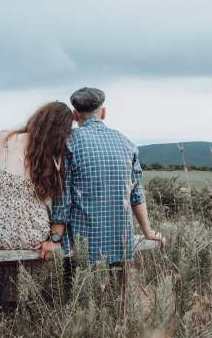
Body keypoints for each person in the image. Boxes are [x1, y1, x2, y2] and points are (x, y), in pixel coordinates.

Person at [36, 87, 162, 265]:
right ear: (103, 113)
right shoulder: (127, 143)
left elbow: (63, 201)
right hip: (120, 247)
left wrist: (54, 239)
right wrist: (147, 231)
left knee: (77, 292)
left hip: (82, 250)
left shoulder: (68, 143)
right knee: (117, 293)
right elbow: (136, 194)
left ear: (75, 115)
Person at [0, 101, 74, 250]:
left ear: (38, 117)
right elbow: (56, 197)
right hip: (33, 235)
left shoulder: (4, 137)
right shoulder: (53, 156)